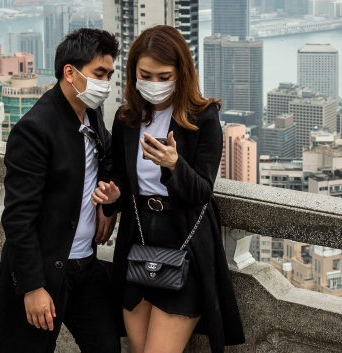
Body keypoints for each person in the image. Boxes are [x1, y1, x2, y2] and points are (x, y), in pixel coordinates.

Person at [92, 25, 245, 353]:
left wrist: (174, 165)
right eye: (146, 75)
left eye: (165, 77)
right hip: (138, 238)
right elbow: (119, 173)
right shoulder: (127, 118)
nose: (155, 84)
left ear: (181, 73)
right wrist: (112, 197)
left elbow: (202, 191)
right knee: (137, 347)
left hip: (184, 241)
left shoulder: (203, 118)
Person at [0, 28, 122, 353]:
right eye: (98, 74)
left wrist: (109, 204)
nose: (105, 82)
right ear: (70, 73)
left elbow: (105, 160)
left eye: (109, 74)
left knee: (107, 347)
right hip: (45, 269)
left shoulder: (92, 112)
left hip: (86, 266)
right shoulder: (35, 129)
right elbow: (18, 217)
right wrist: (32, 287)